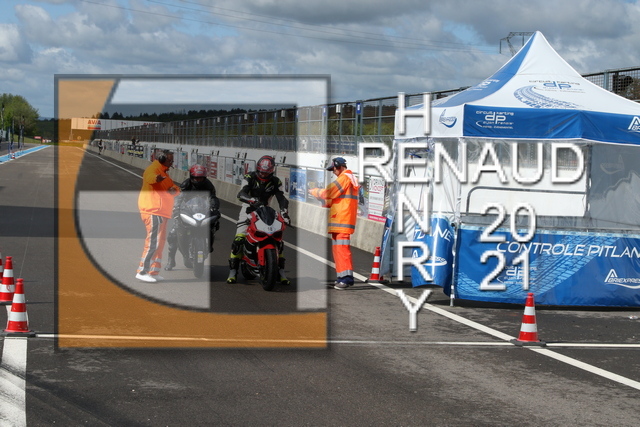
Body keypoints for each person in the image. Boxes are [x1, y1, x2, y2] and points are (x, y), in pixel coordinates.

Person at [226, 155, 291, 284]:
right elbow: (241, 194)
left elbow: (282, 198)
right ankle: (232, 271)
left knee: (277, 239)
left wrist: (284, 213)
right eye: (261, 172)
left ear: (271, 171)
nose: (263, 175)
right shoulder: (249, 177)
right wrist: (252, 200)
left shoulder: (276, 181)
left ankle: (281, 272)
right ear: (258, 169)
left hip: (266, 210)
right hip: (248, 209)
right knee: (239, 239)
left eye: (266, 173)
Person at [309, 157, 360, 289]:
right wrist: (323, 201)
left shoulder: (344, 178)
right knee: (338, 251)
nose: (333, 172)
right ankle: (342, 277)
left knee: (342, 250)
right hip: (340, 220)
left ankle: (346, 278)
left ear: (339, 166)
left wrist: (315, 191)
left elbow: (329, 192)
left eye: (334, 169)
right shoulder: (347, 178)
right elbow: (336, 199)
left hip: (342, 220)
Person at [136, 150, 180, 283]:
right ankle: (142, 271)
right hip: (153, 210)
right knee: (153, 243)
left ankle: (153, 271)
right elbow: (149, 177)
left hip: (161, 212)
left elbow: (174, 188)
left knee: (159, 243)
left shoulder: (164, 173)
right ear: (161, 159)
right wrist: (156, 179)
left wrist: (175, 190)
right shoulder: (154, 170)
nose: (172, 163)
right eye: (170, 160)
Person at [165, 164, 220, 270]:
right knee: (173, 234)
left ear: (204, 178)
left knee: (214, 224)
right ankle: (171, 259)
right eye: (196, 178)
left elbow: (213, 198)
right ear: (191, 177)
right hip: (187, 210)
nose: (198, 180)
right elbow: (179, 198)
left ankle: (209, 245)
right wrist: (176, 210)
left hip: (201, 210)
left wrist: (215, 208)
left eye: (201, 178)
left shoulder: (208, 185)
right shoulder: (186, 184)